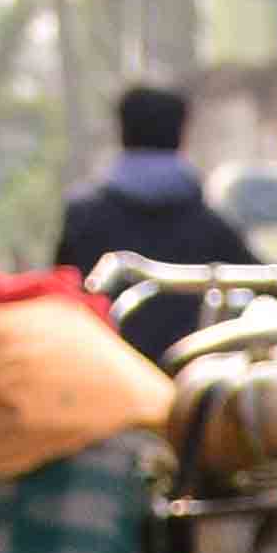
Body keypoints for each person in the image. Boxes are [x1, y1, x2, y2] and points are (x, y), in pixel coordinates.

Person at [59, 84, 250, 353]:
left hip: (105, 372)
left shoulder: (83, 217)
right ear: (181, 136)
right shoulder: (211, 226)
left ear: (123, 133)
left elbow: (62, 293)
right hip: (192, 378)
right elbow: (260, 283)